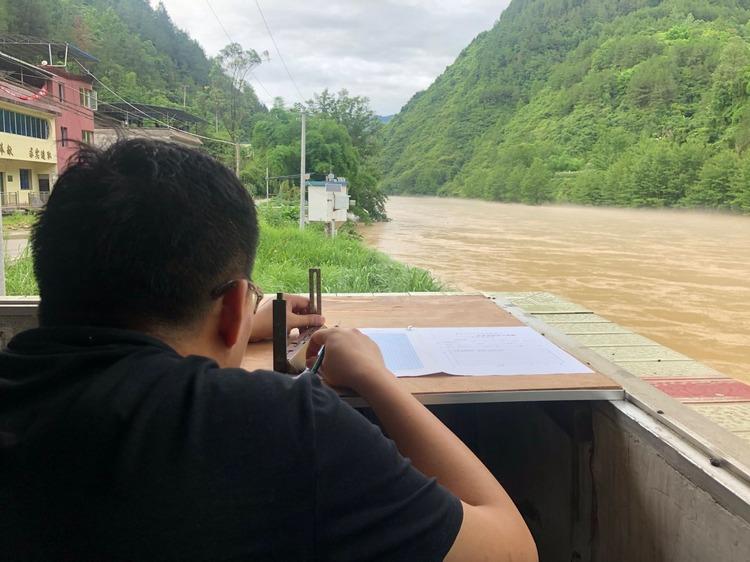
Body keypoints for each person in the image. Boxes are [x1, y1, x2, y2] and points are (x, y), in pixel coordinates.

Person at [0, 139, 537, 562]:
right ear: (236, 305)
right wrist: (376, 377)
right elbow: (509, 550)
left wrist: (239, 327)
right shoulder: (276, 423)